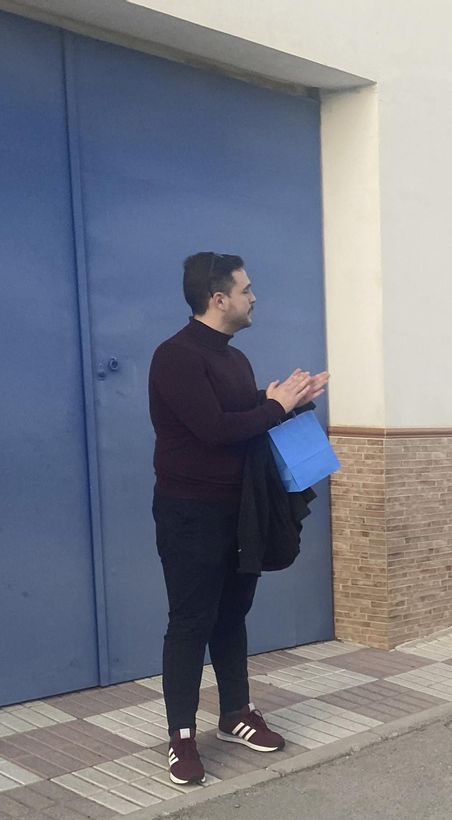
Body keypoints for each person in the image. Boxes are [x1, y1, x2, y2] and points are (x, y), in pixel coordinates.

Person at [149, 252, 329, 785]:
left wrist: (280, 399)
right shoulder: (175, 357)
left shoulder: (235, 359)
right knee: (190, 621)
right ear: (218, 298)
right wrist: (274, 407)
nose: (254, 298)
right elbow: (213, 428)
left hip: (239, 509)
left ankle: (234, 714)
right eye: (246, 290)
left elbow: (238, 412)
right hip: (190, 514)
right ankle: (182, 737)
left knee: (232, 615)